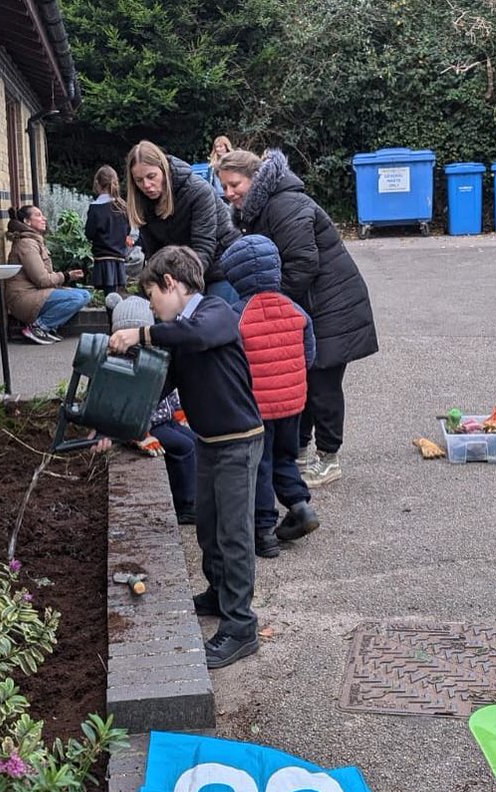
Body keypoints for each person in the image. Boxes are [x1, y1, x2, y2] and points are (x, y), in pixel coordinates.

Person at [108, 246, 263, 670]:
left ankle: (240, 625)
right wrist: (115, 421)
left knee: (234, 535)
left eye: (152, 297)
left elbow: (195, 336)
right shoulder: (177, 331)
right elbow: (158, 386)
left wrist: (141, 335)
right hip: (210, 441)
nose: (153, 309)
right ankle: (219, 594)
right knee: (210, 529)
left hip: (239, 440)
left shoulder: (216, 311)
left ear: (171, 284)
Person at [217, 148, 378, 488]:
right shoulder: (263, 207)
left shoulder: (284, 204)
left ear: (255, 178)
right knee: (303, 380)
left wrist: (271, 307)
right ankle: (300, 453)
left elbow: (304, 263)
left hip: (332, 306)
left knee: (323, 386)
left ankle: (329, 458)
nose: (229, 194)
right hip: (313, 304)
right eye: (225, 188)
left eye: (235, 185)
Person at [219, 234, 320, 559]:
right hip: (293, 403)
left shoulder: (237, 314)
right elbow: (309, 356)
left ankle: (264, 531)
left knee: (260, 464)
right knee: (285, 457)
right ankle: (300, 507)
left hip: (257, 407)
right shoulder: (296, 310)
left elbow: (231, 364)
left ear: (236, 276)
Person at [110, 294, 197, 525]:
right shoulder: (120, 366)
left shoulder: (155, 357)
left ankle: (196, 493)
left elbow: (170, 391)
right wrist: (140, 433)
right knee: (184, 447)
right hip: (148, 426)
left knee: (195, 440)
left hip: (166, 420)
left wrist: (179, 411)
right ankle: (185, 504)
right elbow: (123, 408)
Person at [125, 140, 241, 305]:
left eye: (151, 177)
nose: (146, 185)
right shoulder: (142, 203)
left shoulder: (198, 191)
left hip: (221, 263)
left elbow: (204, 248)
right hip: (185, 269)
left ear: (163, 170)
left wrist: (176, 287)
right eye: (139, 180)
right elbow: (155, 256)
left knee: (216, 320)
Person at [3, 205, 90, 344]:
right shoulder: (26, 244)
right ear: (27, 221)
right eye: (38, 215)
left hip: (35, 293)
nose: (44, 218)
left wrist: (66, 278)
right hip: (23, 298)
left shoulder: (34, 241)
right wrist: (66, 276)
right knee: (76, 298)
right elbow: (42, 280)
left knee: (85, 295)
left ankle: (48, 327)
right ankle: (38, 327)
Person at [85, 165, 131, 297]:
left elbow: (89, 233)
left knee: (110, 298)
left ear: (97, 183)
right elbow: (127, 230)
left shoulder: (95, 208)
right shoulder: (123, 206)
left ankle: (112, 318)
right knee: (118, 297)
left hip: (103, 258)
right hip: (120, 257)